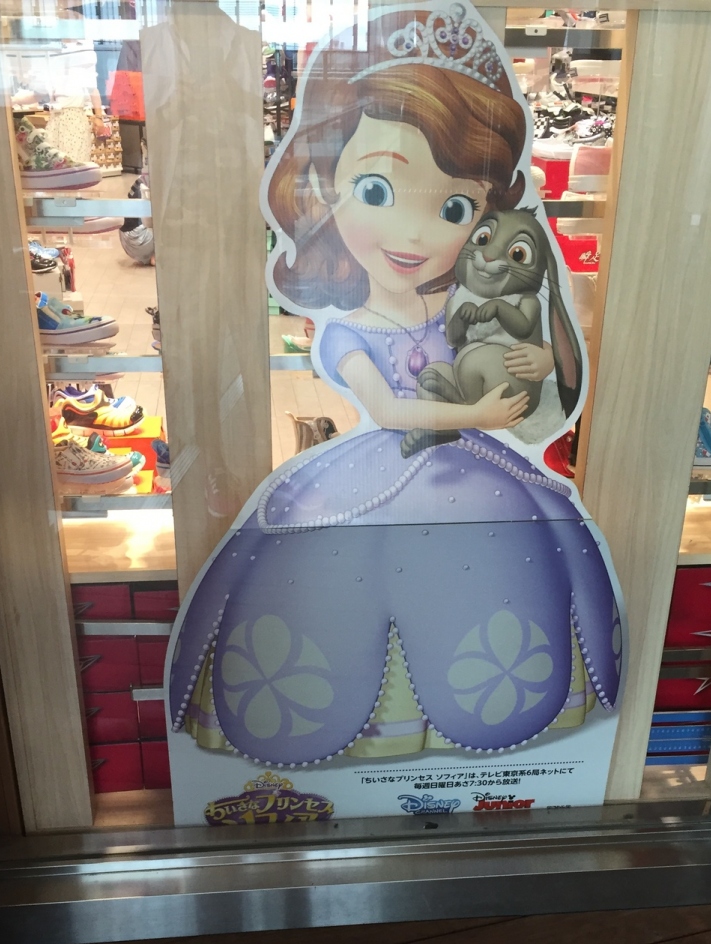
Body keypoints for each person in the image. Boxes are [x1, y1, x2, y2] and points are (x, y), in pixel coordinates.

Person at [167, 3, 622, 768]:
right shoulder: (347, 329)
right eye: (376, 191)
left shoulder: (461, 305)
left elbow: (508, 352)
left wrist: (535, 361)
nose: (415, 235)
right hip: (386, 463)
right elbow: (383, 410)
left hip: (476, 470)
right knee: (343, 568)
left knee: (505, 553)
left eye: (453, 208)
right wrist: (476, 413)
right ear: (324, 185)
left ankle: (482, 726)